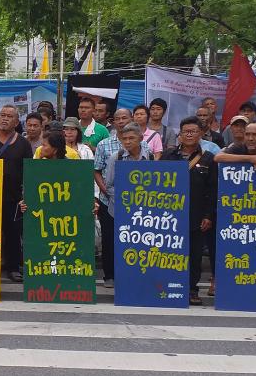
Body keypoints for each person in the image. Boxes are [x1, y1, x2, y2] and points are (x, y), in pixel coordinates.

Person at [162, 117, 218, 304]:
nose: (189, 134)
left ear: (201, 134)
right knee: (170, 254)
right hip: (170, 216)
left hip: (196, 215)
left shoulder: (209, 159)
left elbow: (213, 191)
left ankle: (192, 290)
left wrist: (208, 216)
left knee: (194, 255)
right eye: (185, 131)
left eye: (193, 131)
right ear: (179, 134)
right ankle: (167, 286)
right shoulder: (168, 156)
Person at [93, 108, 152, 288]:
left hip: (141, 206)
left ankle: (134, 274)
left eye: (131, 138)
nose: (127, 142)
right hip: (113, 205)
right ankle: (110, 275)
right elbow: (109, 184)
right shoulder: (114, 156)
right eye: (124, 139)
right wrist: (121, 200)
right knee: (111, 240)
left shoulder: (148, 153)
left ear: (140, 139)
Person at [0, 104, 32, 283]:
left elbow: (28, 170)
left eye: (9, 116)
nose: (4, 118)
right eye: (2, 115)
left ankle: (13, 267)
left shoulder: (23, 143)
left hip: (12, 197)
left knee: (12, 233)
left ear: (16, 121)